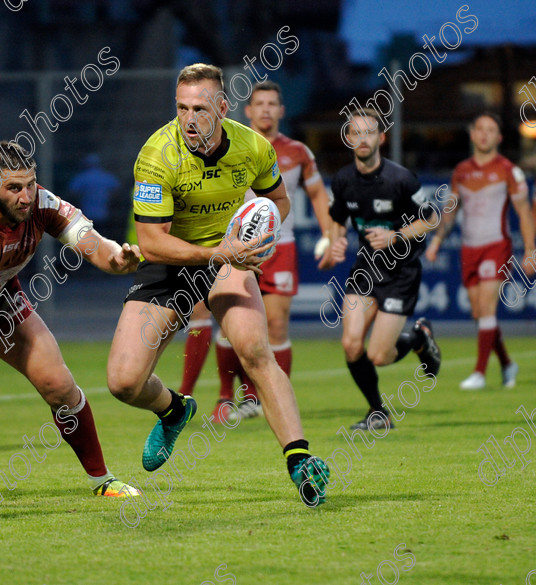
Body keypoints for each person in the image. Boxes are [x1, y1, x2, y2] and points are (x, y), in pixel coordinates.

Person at [106, 63, 330, 507]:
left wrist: (261, 234)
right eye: (181, 108)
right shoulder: (158, 155)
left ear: (223, 108)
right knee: (123, 382)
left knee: (254, 350)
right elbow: (151, 243)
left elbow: (278, 201)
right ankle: (174, 409)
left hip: (229, 261)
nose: (189, 119)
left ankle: (300, 459)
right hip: (173, 260)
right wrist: (218, 253)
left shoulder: (252, 147)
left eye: (200, 109)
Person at [0, 140, 141, 498]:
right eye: (14, 188)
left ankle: (103, 480)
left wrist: (117, 259)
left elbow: (94, 243)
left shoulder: (43, 205)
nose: (26, 196)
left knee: (59, 383)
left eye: (30, 184)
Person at [194, 81, 335, 425]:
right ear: (249, 110)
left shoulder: (298, 151)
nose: (266, 110)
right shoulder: (232, 145)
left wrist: (330, 234)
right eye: (260, 103)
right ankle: (226, 397)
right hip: (235, 249)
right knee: (230, 328)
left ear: (281, 110)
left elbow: (317, 194)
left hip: (279, 248)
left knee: (275, 325)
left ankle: (267, 398)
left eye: (273, 103)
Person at [319, 108, 441, 431]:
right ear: (348, 138)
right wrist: (337, 241)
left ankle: (418, 337)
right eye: (355, 132)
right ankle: (379, 413)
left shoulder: (401, 179)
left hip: (401, 273)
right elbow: (336, 219)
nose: (362, 138)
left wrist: (396, 236)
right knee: (351, 344)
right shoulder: (344, 180)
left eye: (368, 132)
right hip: (366, 269)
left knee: (378, 355)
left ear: (381, 138)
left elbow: (431, 218)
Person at [426, 112, 535, 390]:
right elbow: (450, 210)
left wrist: (530, 250)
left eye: (491, 130)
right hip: (469, 247)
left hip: (496, 245)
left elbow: (524, 212)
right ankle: (508, 364)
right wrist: (438, 239)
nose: (485, 134)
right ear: (472, 134)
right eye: (480, 129)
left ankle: (479, 373)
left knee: (487, 308)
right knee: (480, 314)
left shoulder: (508, 169)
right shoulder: (461, 170)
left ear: (499, 137)